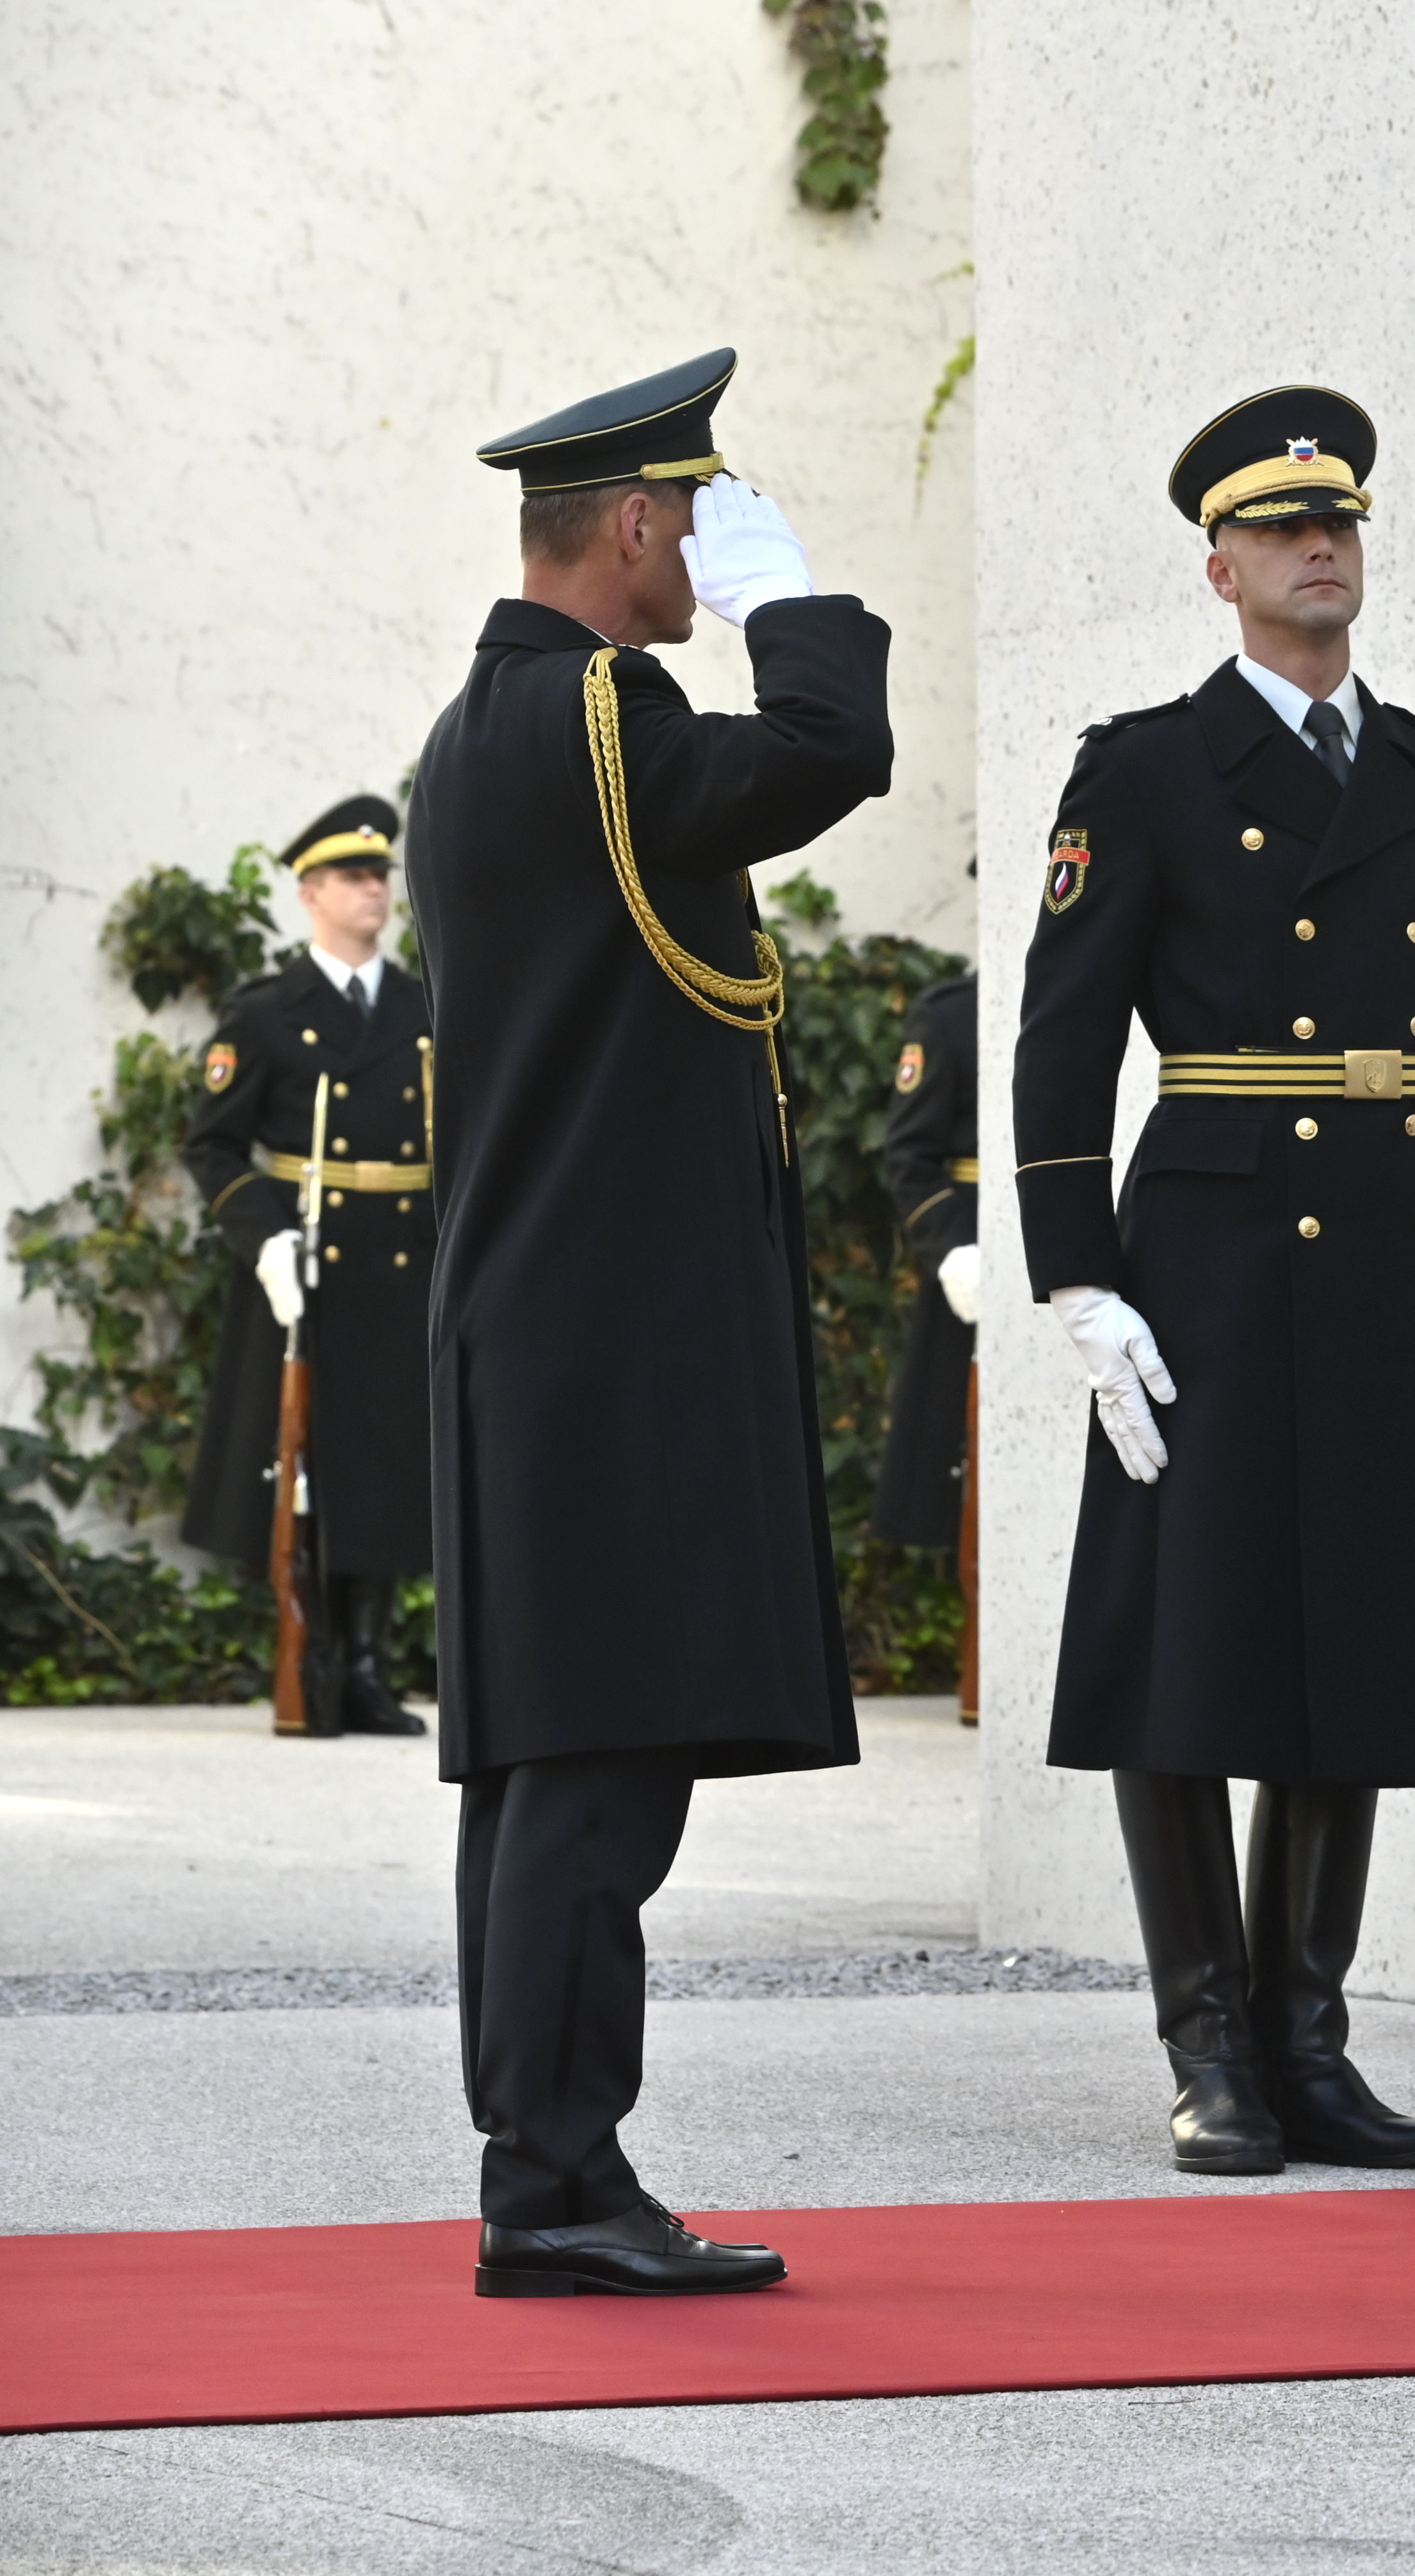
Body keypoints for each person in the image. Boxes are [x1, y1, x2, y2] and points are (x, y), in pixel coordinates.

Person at [407, 349, 896, 2296]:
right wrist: (803, 610)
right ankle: (552, 2178)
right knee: (598, 1766)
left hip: (558, 1320)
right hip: (603, 1334)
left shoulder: (494, 723)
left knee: (564, 1764)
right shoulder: (596, 705)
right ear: (628, 525)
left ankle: (545, 2159)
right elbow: (808, 766)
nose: (703, 549)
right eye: (692, 519)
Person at [1012, 384, 1415, 2176]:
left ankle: (1314, 2036)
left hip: (1385, 1251)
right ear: (1220, 564)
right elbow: (1062, 1043)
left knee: (1358, 1646)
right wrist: (1078, 1278)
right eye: (1289, 529)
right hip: (1213, 1250)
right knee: (1191, 1650)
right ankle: (1210, 2040)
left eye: (1348, 524)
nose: (1327, 547)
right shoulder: (1143, 767)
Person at [179, 798, 436, 1737]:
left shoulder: (424, 1003)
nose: (376, 890)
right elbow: (213, 1147)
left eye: (380, 875)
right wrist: (266, 1235)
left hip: (404, 1265)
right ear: (311, 893)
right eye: (355, 878)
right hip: (307, 1265)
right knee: (303, 1470)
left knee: (389, 1469)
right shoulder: (266, 1011)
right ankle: (312, 1656)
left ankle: (366, 1666)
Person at [871, 965, 978, 1560]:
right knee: (952, 1460)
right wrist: (954, 1248)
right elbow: (910, 1155)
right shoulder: (949, 1015)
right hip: (974, 1250)